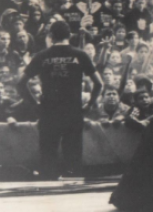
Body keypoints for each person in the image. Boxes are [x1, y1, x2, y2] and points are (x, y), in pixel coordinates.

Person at [16, 21, 103, 179]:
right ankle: (75, 198)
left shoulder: (42, 56)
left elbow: (20, 83)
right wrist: (89, 105)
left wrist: (35, 104)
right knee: (73, 162)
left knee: (48, 161)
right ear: (69, 36)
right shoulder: (80, 55)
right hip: (73, 112)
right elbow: (99, 83)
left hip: (49, 112)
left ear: (51, 36)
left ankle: (48, 199)